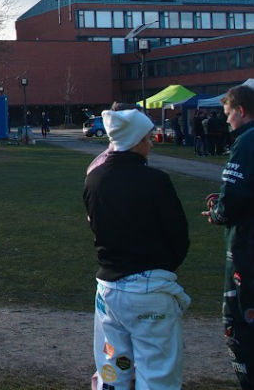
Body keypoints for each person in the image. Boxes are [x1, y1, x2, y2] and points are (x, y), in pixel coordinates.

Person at [84, 109, 190, 390]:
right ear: (135, 141)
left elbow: (95, 226)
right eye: (147, 137)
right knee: (157, 372)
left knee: (112, 366)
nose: (151, 142)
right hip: (149, 290)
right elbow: (178, 236)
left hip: (108, 289)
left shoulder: (94, 180)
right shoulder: (155, 180)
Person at [201, 84, 253, 389]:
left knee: (240, 325)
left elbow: (233, 198)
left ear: (241, 110)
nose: (227, 120)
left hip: (246, 249)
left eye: (228, 113)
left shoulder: (245, 143)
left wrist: (218, 212)